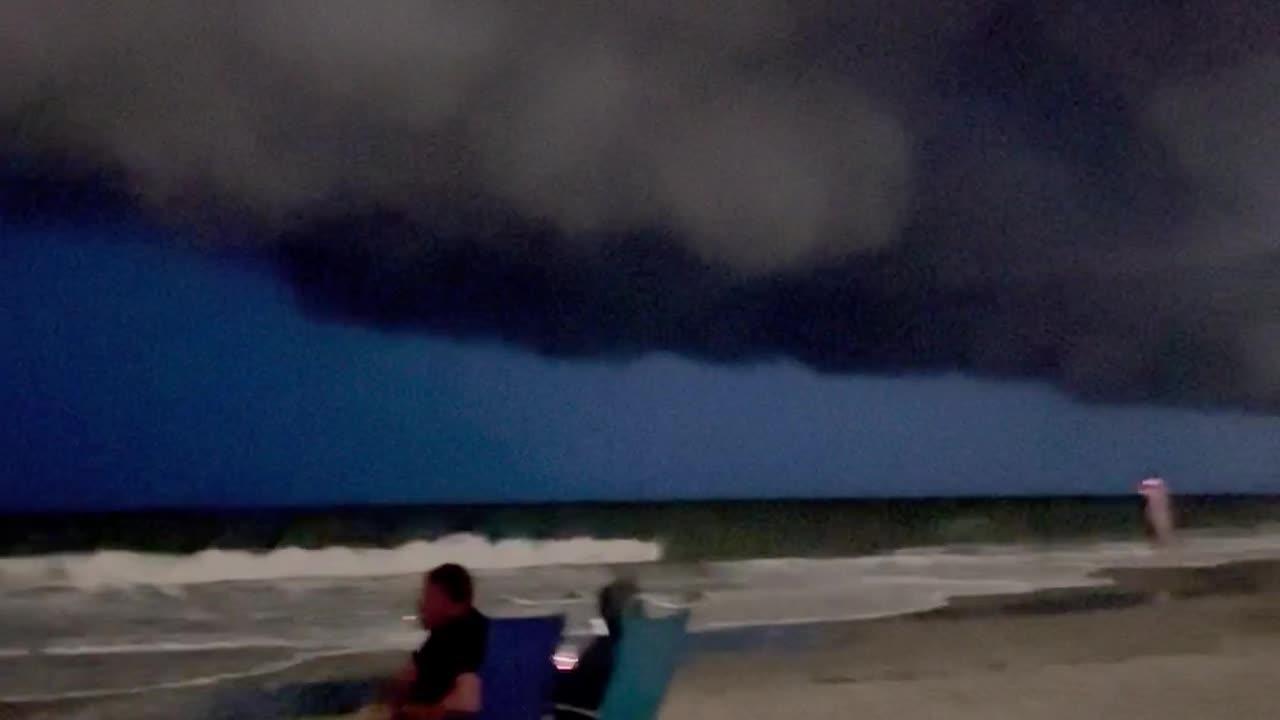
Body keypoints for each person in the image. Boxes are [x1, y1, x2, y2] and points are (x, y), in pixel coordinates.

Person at [384, 563, 489, 720]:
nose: (421, 605)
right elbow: (407, 678)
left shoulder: (465, 636)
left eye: (429, 597)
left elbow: (468, 702)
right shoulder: (446, 632)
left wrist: (414, 712)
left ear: (454, 605)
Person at [553, 579, 639, 719]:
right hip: (569, 701)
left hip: (581, 702)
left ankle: (600, 605)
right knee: (600, 644)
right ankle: (598, 606)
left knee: (603, 645)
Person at [1138, 476, 1176, 547]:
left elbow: (1143, 494)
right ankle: (1161, 541)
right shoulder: (1159, 485)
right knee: (1159, 524)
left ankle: (1163, 541)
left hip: (1158, 508)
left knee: (1161, 524)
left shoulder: (1156, 485)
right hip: (1155, 507)